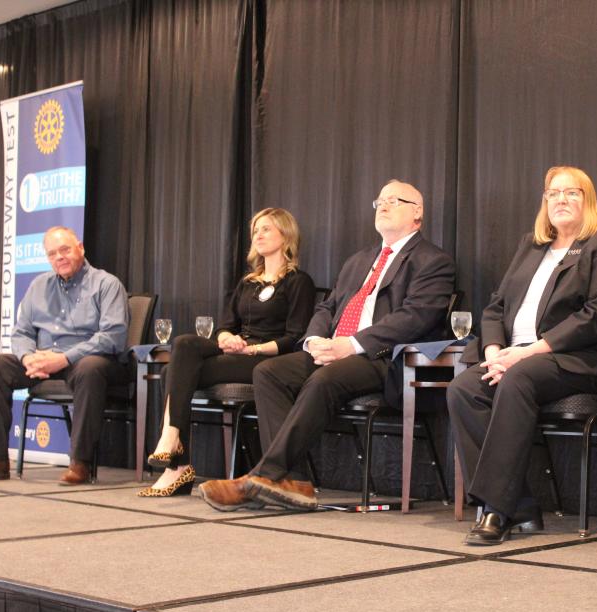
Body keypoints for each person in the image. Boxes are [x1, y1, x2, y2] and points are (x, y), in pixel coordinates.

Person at [195, 179, 456, 511]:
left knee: (324, 379)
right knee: (269, 372)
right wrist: (314, 341)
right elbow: (327, 307)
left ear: (417, 212)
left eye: (395, 200)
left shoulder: (433, 261)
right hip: (334, 349)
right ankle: (296, 483)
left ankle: (263, 476)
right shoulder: (359, 260)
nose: (384, 205)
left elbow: (417, 317)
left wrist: (353, 344)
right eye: (380, 201)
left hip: (382, 357)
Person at [446, 166, 597, 545]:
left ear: (588, 201)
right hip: (519, 358)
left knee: (519, 378)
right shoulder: (530, 247)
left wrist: (527, 354)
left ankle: (496, 508)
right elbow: (496, 307)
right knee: (464, 388)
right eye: (553, 193)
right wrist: (496, 351)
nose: (561, 200)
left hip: (583, 360)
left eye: (572, 193)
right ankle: (523, 508)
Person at [138, 208, 316, 497]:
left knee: (173, 372)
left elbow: (295, 338)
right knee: (184, 345)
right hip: (237, 351)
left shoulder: (299, 282)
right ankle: (172, 441)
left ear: (286, 235)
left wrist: (253, 348)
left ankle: (176, 464)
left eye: (266, 229)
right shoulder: (248, 282)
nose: (258, 235)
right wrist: (227, 338)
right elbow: (225, 326)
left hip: (267, 359)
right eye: (255, 230)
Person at [0, 226, 129, 485]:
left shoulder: (106, 284)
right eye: (52, 253)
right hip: (43, 360)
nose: (59, 257)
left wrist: (63, 359)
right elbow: (21, 333)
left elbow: (112, 337)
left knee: (89, 368)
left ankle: (80, 462)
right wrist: (28, 358)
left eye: (65, 249)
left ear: (81, 248)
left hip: (89, 360)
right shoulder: (39, 285)